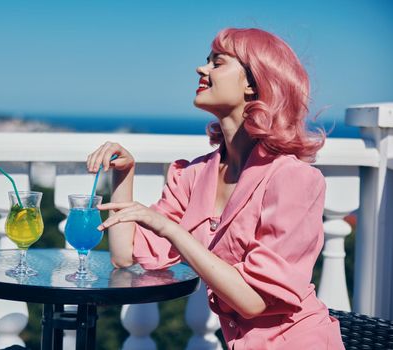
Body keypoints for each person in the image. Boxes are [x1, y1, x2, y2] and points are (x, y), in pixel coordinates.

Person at [86, 28, 344, 349]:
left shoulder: (292, 179)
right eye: (206, 61)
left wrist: (172, 231)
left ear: (253, 83)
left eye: (217, 63)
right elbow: (125, 255)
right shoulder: (194, 175)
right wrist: (124, 174)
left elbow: (253, 301)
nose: (201, 69)